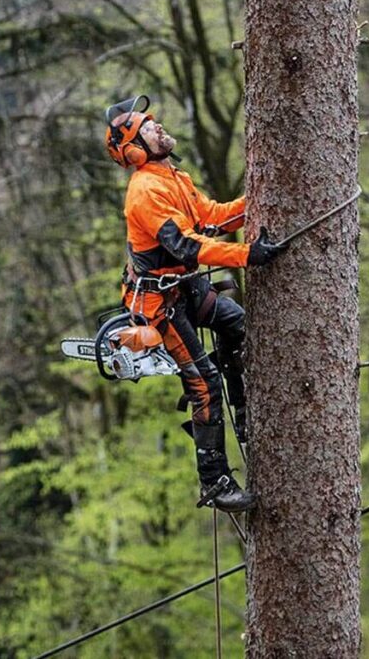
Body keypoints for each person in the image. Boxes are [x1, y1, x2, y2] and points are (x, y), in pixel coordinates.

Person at [104, 95, 285, 512]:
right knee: (203, 384)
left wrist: (260, 203)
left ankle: (244, 410)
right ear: (133, 149)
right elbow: (185, 244)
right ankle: (216, 481)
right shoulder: (144, 191)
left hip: (185, 288)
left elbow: (212, 218)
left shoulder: (175, 179)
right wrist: (247, 254)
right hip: (160, 303)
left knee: (236, 324)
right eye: (148, 127)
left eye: (153, 121)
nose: (158, 126)